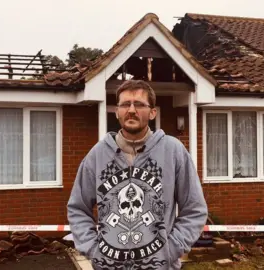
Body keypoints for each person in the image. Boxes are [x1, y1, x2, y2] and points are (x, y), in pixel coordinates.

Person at [67, 80, 207, 270]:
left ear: (152, 112)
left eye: (139, 104)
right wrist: (94, 250)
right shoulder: (97, 155)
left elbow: (194, 209)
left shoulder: (173, 151)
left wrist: (170, 249)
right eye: (125, 104)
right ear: (117, 111)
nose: (131, 110)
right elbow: (78, 209)